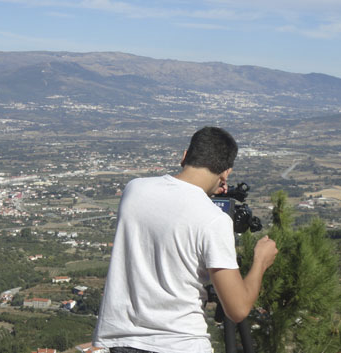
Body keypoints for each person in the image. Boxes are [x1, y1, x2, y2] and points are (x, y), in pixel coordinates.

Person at [92, 127, 278, 353]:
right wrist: (261, 261)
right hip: (180, 343)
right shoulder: (213, 220)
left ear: (184, 156)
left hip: (121, 342)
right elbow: (237, 309)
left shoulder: (135, 189)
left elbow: (173, 210)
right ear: (226, 173)